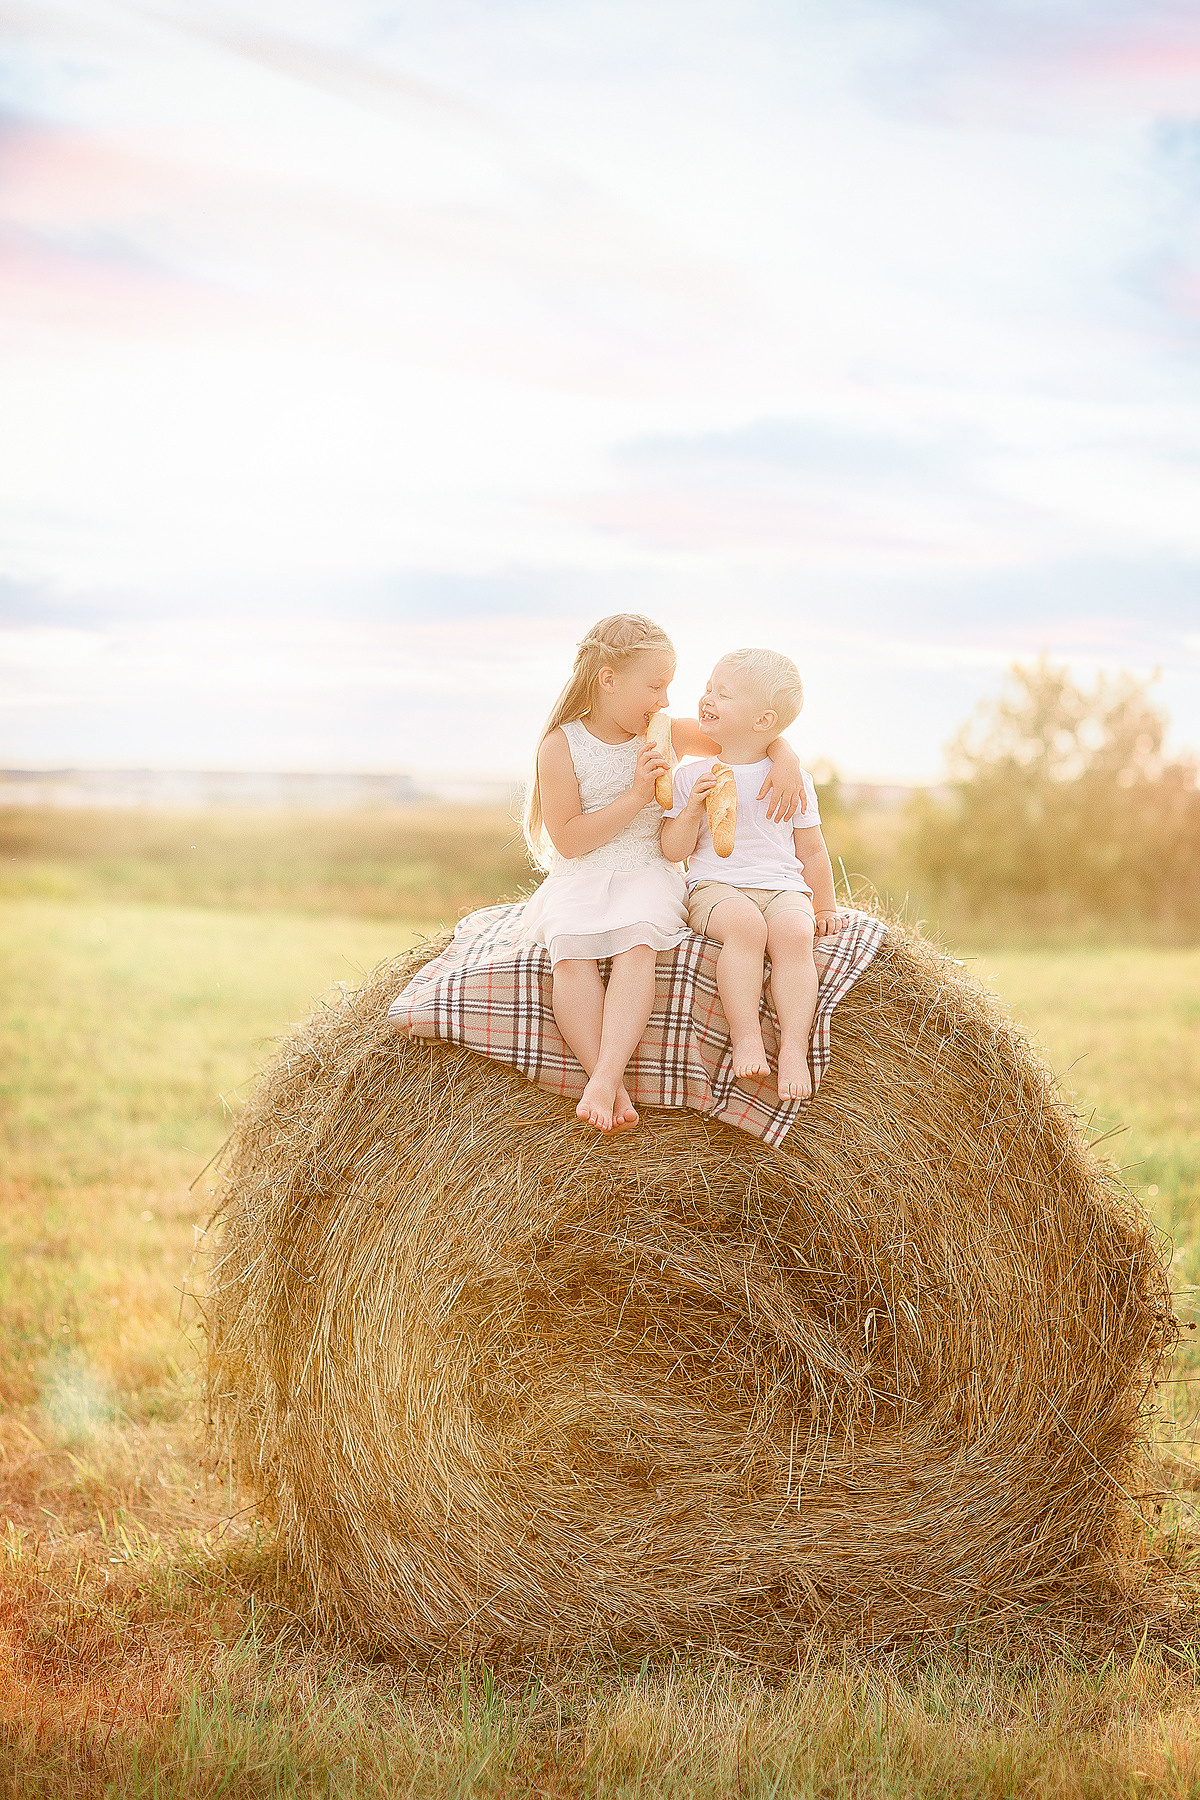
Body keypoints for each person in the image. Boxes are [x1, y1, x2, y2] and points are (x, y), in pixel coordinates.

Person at [521, 615, 807, 1133]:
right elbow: (569, 840)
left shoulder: (670, 732)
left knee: (637, 945)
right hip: (582, 871)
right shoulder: (560, 745)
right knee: (570, 954)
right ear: (608, 680)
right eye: (655, 686)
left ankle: (606, 1077)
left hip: (647, 866)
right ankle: (606, 1081)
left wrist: (785, 758)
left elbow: (747, 736)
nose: (666, 699)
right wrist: (637, 795)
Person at [660, 648, 847, 1103]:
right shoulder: (691, 775)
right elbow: (673, 851)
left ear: (763, 721)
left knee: (795, 934)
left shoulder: (793, 779)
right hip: (715, 886)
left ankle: (794, 1048)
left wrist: (824, 905)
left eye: (723, 694)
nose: (707, 698)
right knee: (746, 927)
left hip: (783, 886)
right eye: (708, 688)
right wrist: (691, 810)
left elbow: (812, 849)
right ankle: (746, 1037)